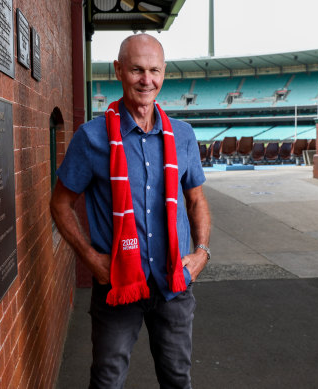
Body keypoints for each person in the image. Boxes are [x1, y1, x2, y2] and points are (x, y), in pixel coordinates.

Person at [50, 33, 211, 389]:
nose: (146, 79)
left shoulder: (183, 135)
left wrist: (202, 254)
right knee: (107, 381)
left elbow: (196, 200)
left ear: (163, 73)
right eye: (137, 69)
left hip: (174, 285)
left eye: (154, 70)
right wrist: (90, 258)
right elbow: (59, 203)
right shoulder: (91, 138)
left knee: (177, 379)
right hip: (117, 282)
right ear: (119, 70)